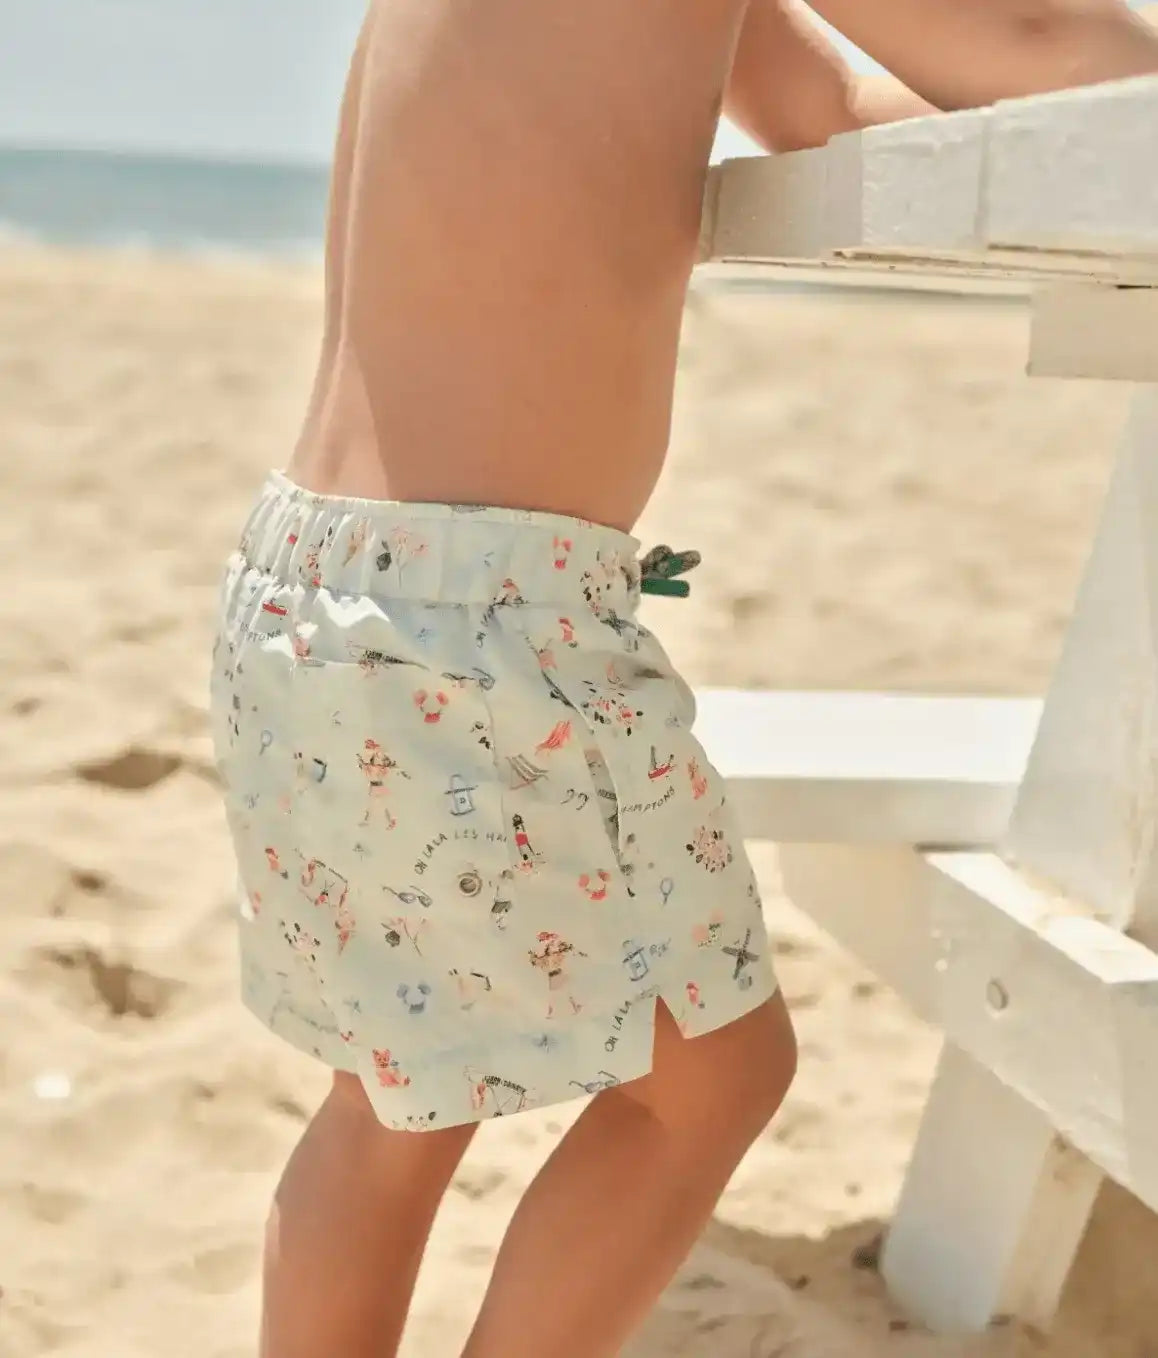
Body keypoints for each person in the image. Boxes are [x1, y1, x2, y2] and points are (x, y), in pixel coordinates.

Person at [208, 2, 1158, 1354]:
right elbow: (1022, 30)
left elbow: (813, 111)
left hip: (310, 581)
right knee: (712, 1080)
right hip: (485, 623)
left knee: (397, 1084)